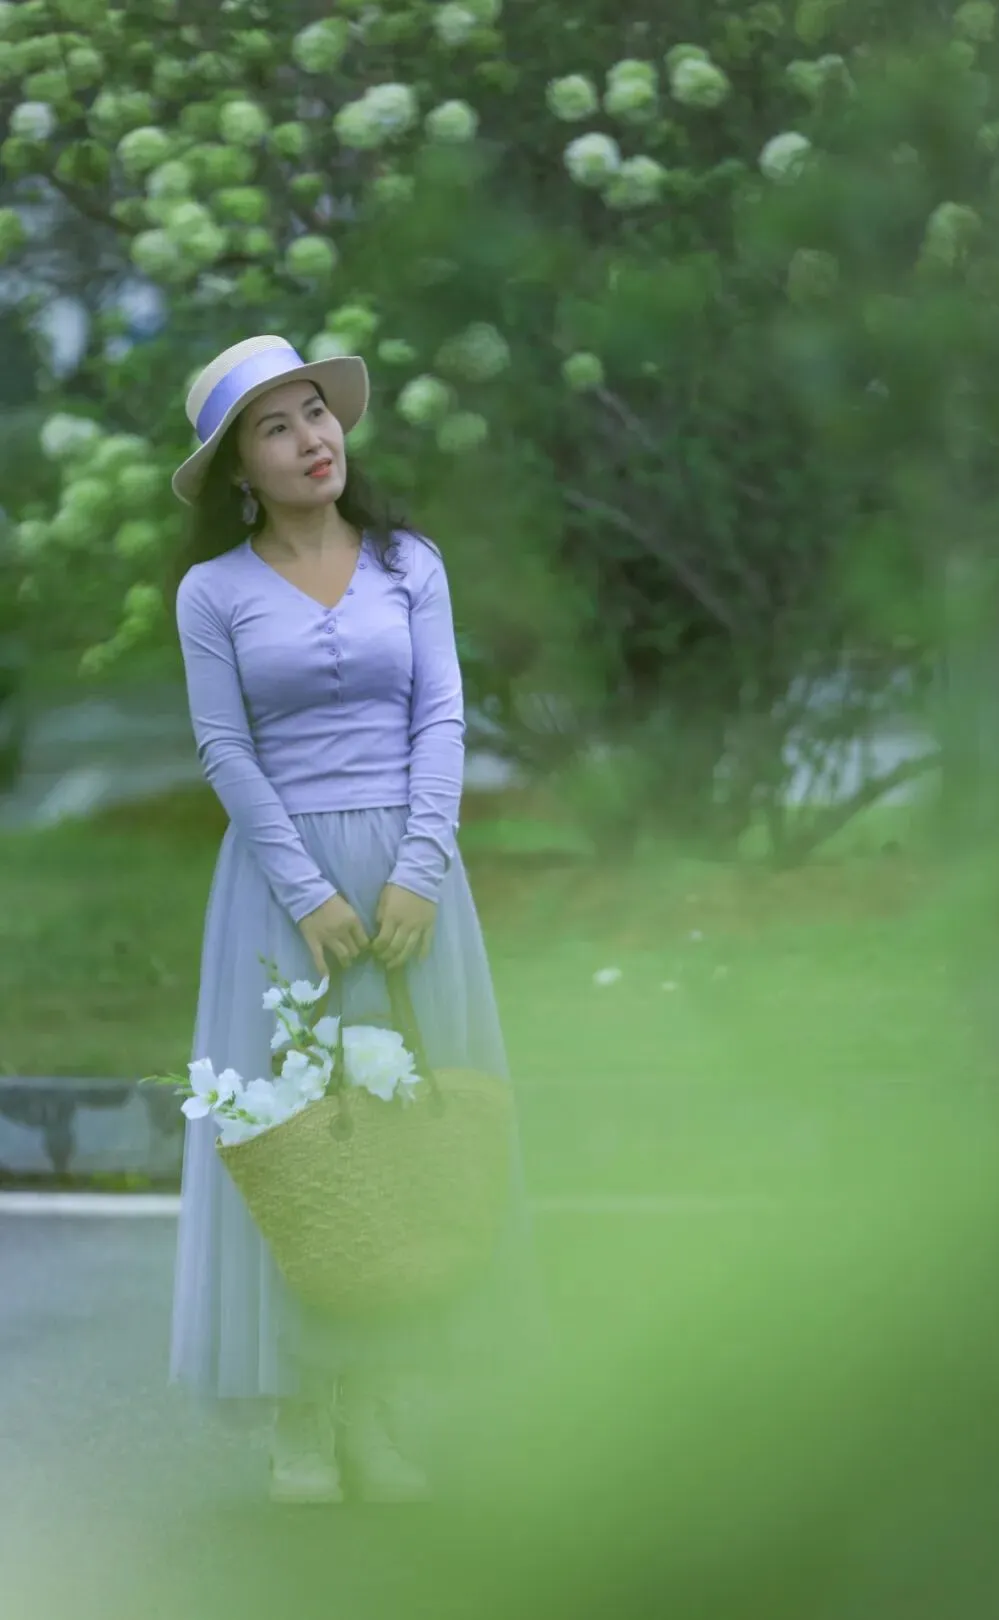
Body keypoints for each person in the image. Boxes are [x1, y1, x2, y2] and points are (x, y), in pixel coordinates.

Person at [165, 334, 551, 1507]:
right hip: (281, 888)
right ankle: (300, 1413)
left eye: (316, 412)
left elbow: (443, 716)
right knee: (295, 1139)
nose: (310, 439)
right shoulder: (213, 592)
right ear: (240, 467)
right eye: (275, 426)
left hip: (412, 880)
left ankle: (378, 1401)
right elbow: (225, 750)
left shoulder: (407, 562)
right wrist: (309, 894)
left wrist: (420, 868)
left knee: (405, 1133)